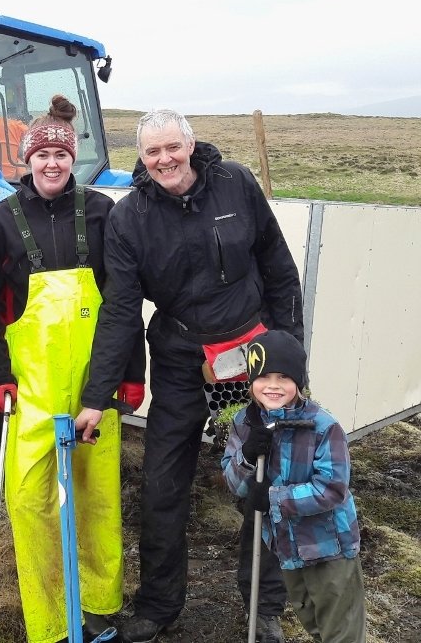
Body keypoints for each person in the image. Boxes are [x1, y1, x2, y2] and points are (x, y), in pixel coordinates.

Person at [74, 109, 304, 643]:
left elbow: (279, 268)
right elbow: (120, 312)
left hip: (250, 356)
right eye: (152, 151)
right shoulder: (129, 218)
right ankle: (158, 605)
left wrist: (289, 357)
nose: (165, 160)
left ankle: (264, 607)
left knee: (266, 477)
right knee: (162, 484)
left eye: (172, 147)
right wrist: (96, 395)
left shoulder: (236, 182)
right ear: (141, 157)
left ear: (191, 144)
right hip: (181, 359)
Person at [0, 94, 145, 643]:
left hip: (96, 382)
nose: (52, 163)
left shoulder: (102, 212)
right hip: (32, 388)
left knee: (97, 498)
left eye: (61, 154)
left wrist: (130, 374)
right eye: (42, 154)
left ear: (73, 158)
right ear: (28, 159)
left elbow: (123, 302)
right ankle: (49, 620)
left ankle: (98, 605)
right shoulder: (0, 220)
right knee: (30, 499)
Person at [222, 330, 365, 643]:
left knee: (340, 631)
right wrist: (247, 456)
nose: (273, 386)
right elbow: (234, 484)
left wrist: (273, 498)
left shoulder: (323, 427)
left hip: (328, 547)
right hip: (286, 548)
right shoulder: (245, 423)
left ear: (299, 381)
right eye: (264, 377)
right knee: (313, 623)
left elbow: (332, 489)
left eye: (284, 377)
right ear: (251, 380)